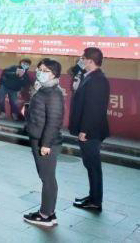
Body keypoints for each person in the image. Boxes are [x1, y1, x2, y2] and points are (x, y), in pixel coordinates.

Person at [22, 59, 64, 227]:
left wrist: (46, 144)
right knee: (47, 177)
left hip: (46, 142)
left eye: (45, 70)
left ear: (54, 74)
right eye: (39, 69)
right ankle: (49, 212)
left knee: (47, 178)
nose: (40, 72)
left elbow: (54, 121)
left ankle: (45, 215)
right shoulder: (43, 89)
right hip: (38, 137)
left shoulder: (53, 93)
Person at [70, 47, 110, 212]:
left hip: (91, 132)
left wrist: (84, 130)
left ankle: (95, 201)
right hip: (89, 130)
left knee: (93, 166)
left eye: (83, 58)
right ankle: (93, 196)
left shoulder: (97, 80)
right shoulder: (90, 77)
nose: (81, 61)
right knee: (90, 165)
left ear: (90, 61)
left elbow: (94, 109)